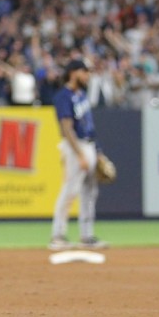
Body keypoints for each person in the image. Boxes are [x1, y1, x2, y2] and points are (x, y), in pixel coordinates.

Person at [49, 60, 109, 252]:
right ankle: (57, 236)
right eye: (85, 72)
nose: (88, 76)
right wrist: (79, 154)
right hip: (75, 146)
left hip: (89, 145)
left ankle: (86, 236)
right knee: (70, 191)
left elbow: (89, 126)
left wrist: (98, 152)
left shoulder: (82, 95)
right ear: (73, 73)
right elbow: (66, 128)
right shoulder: (63, 96)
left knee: (90, 193)